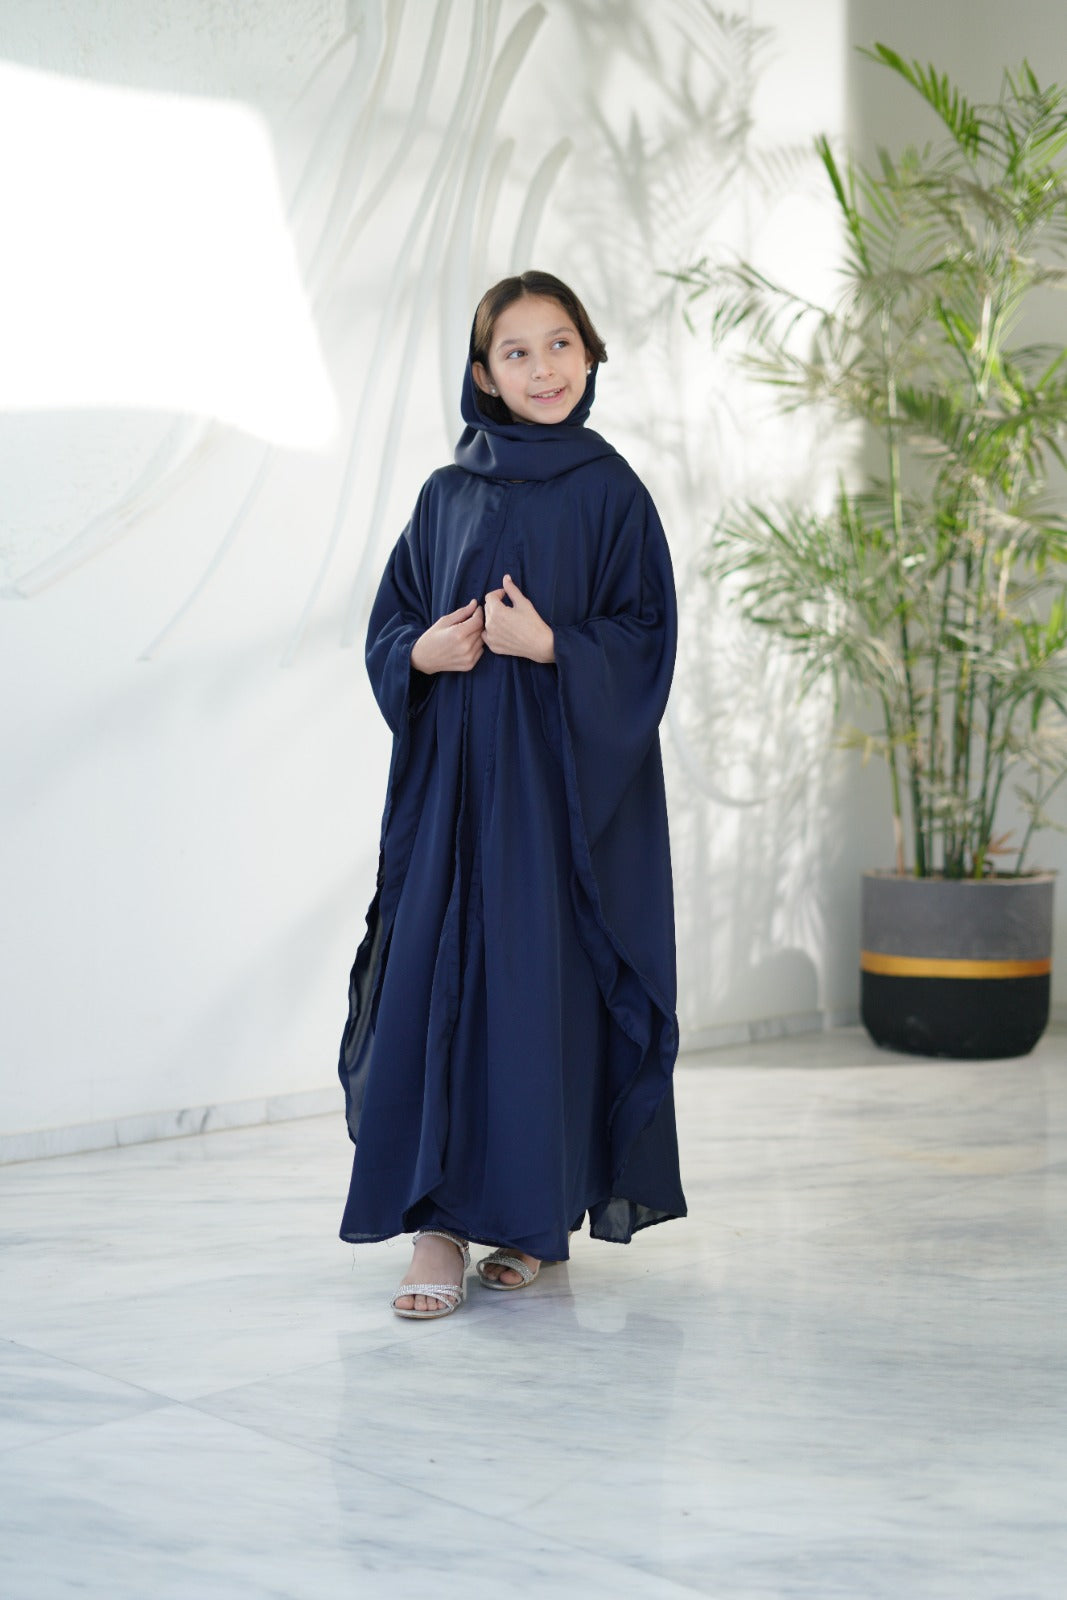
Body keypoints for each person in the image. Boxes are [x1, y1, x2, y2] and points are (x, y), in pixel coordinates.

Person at [338, 270, 686, 1318]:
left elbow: (646, 640)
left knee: (540, 993)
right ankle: (435, 1231)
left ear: (589, 354)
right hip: (452, 800)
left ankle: (532, 1225)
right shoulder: (447, 493)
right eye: (517, 352)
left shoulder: (613, 493)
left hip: (558, 803)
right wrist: (423, 655)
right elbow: (392, 623)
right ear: (483, 374)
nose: (543, 368)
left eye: (560, 343)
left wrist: (553, 647)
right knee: (434, 985)